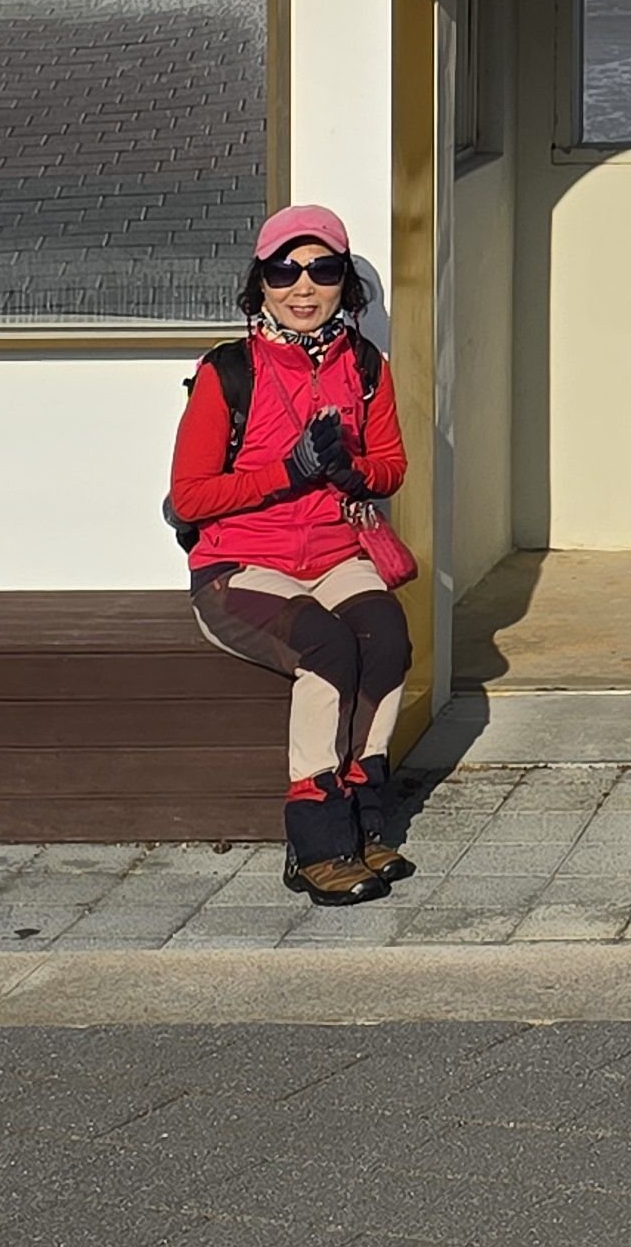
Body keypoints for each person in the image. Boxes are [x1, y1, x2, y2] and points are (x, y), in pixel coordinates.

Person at [168, 204, 415, 905]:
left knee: (386, 638)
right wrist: (289, 471)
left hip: (335, 554)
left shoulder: (364, 366)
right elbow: (189, 496)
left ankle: (365, 823)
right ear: (261, 283)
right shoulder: (228, 372)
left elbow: (393, 466)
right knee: (327, 649)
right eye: (285, 271)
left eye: (323, 270)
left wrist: (351, 472)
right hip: (240, 566)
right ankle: (317, 844)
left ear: (344, 284)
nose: (303, 288)